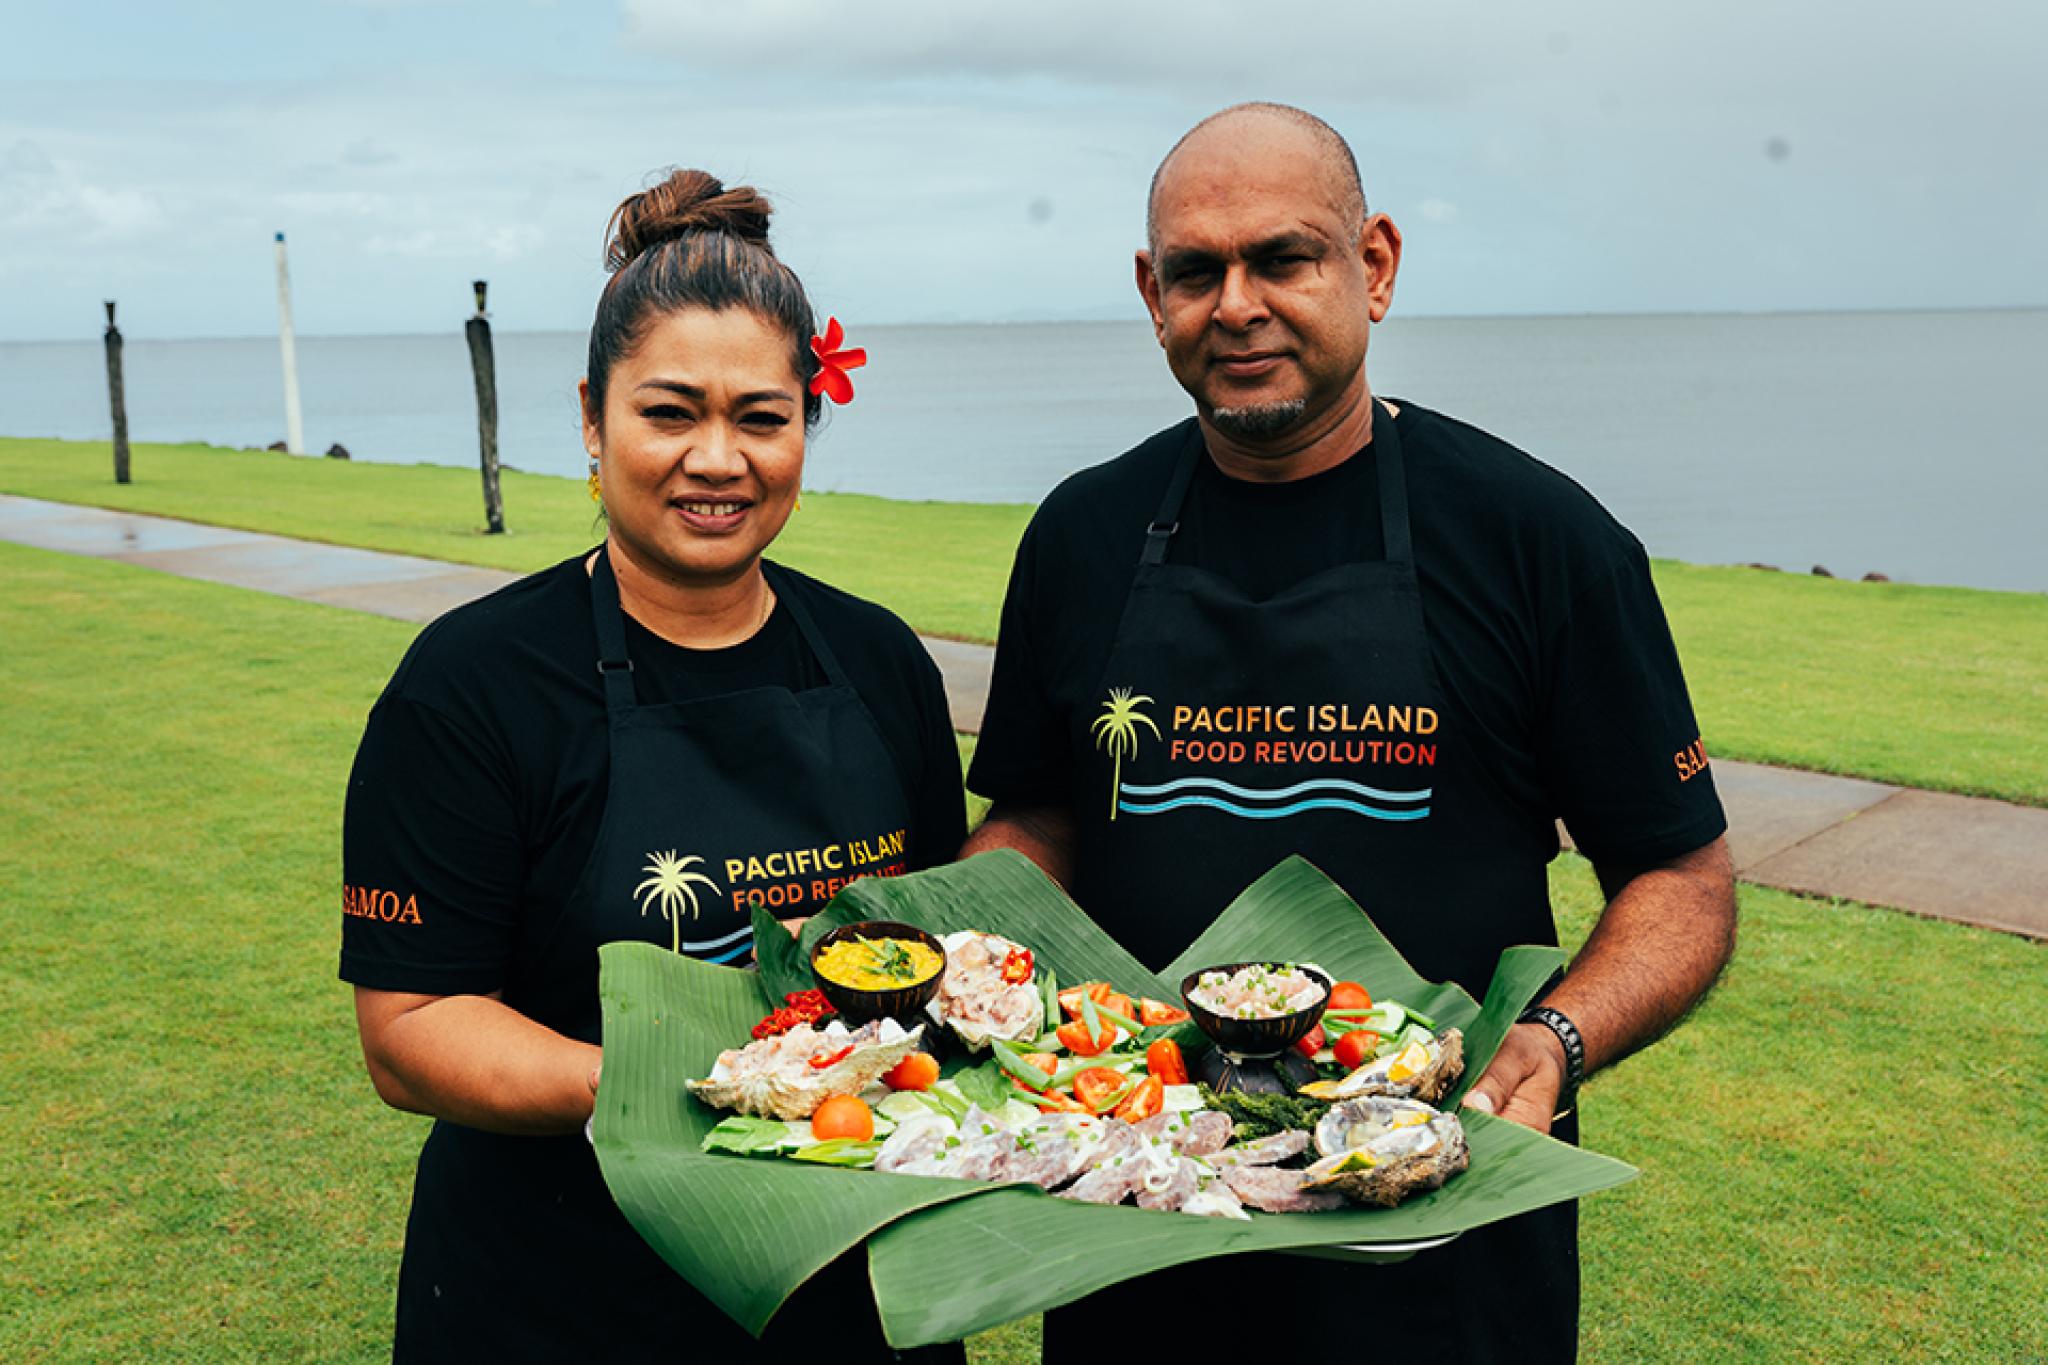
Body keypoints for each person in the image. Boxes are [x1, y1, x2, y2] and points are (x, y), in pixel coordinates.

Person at [963, 104, 1737, 1360]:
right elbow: (1041, 813)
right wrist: (938, 948)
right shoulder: (1082, 534)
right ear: (1149, 293)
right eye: (1194, 271)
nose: (1236, 305)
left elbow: (1678, 872)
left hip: (1441, 1240)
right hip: (1134, 1223)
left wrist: (1552, 1043)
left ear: (1371, 265)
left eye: (1281, 258)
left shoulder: (1536, 538)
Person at [341, 170, 967, 1362]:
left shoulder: (879, 662)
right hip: (561, 1295)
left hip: (847, 1290)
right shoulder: (472, 685)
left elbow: (930, 949)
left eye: (760, 418)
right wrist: (703, 1087)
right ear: (592, 417)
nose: (717, 460)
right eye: (669, 413)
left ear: (804, 425)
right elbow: (409, 1026)